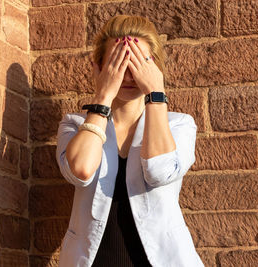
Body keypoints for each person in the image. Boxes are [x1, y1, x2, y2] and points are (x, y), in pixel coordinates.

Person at [56, 15, 204, 267]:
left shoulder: (179, 125)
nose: (128, 75)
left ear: (153, 67)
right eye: (118, 63)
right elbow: (80, 171)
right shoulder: (76, 124)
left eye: (136, 62)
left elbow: (160, 170)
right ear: (98, 67)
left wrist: (155, 94)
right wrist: (103, 97)